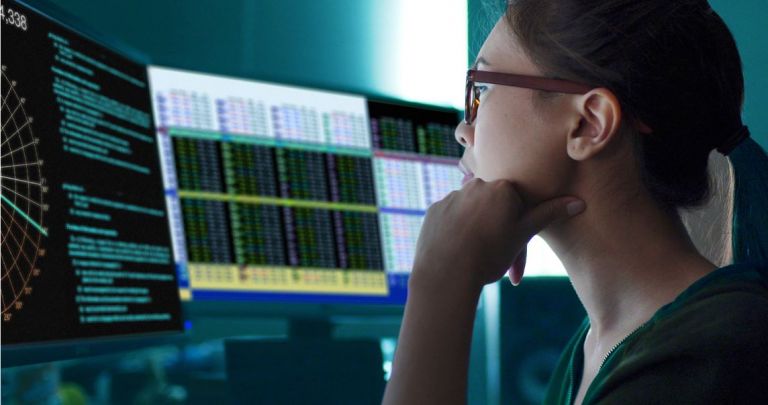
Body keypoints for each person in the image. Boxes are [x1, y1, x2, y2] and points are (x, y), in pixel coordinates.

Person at [381, 1, 768, 404]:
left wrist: (441, 280)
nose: (463, 129)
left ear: (589, 123)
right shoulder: (594, 346)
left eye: (482, 88)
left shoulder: (710, 352)